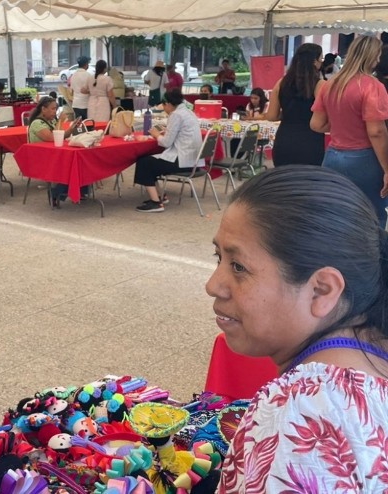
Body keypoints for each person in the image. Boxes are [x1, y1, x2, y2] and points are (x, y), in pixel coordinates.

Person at [209, 166, 388, 492]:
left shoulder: (302, 418)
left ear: (321, 290)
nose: (213, 285)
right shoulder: (374, 357)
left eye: (238, 266)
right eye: (217, 256)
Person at [311, 35, 388, 228]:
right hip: (364, 159)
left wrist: (342, 123)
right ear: (372, 56)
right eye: (378, 55)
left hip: (333, 156)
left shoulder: (330, 84)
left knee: (335, 214)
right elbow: (376, 131)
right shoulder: (373, 86)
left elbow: (316, 124)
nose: (379, 59)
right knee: (372, 215)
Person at [133, 89, 202, 213]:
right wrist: (167, 132)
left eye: (164, 106)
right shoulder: (188, 112)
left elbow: (166, 143)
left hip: (182, 161)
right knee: (150, 160)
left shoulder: (176, 115)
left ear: (169, 104)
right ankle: (160, 196)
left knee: (144, 162)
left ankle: (156, 203)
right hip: (194, 160)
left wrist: (155, 134)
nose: (164, 109)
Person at [267, 43, 324, 167]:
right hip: (310, 141)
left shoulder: (281, 83)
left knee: (284, 177)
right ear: (315, 61)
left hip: (284, 139)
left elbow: (271, 116)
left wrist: (289, 113)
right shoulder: (320, 85)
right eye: (321, 59)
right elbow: (322, 117)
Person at [27, 96, 85, 205]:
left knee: (80, 161)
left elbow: (61, 135)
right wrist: (60, 121)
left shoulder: (52, 121)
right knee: (72, 165)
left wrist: (72, 128)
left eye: (56, 109)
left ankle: (80, 191)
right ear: (43, 109)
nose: (55, 111)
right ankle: (57, 193)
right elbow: (52, 138)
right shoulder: (37, 123)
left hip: (54, 155)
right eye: (53, 109)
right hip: (41, 158)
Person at [69, 55, 91, 120]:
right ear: (86, 64)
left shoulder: (73, 76)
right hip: (85, 105)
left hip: (76, 104)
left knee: (78, 124)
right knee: (86, 124)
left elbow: (71, 91)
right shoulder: (88, 75)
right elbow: (92, 90)